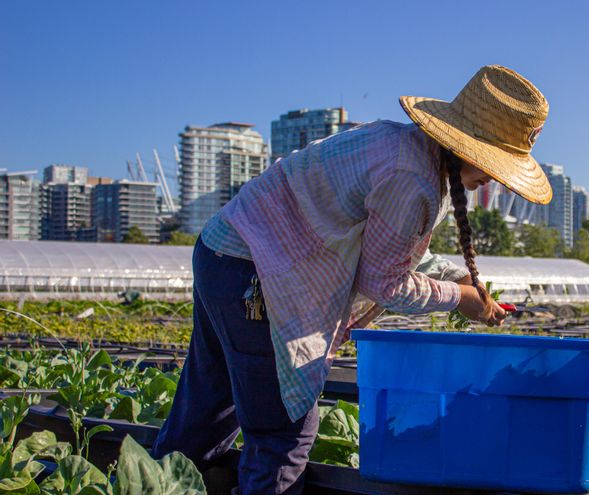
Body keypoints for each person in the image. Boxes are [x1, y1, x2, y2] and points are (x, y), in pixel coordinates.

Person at [152, 65, 552, 494]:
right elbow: (385, 283)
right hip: (256, 273)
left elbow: (392, 246)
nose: (493, 178)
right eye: (493, 165)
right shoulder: (412, 178)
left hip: (223, 251)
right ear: (467, 147)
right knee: (283, 436)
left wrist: (458, 279)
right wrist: (459, 298)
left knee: (206, 410)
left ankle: (146, 485)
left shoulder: (405, 146)